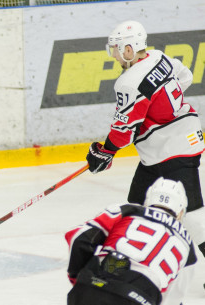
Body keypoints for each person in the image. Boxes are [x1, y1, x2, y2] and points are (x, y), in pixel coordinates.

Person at [85, 20, 205, 258]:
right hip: (164, 149)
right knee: (137, 205)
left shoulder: (129, 82)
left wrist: (104, 151)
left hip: (175, 149)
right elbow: (186, 76)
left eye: (116, 50)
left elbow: (123, 133)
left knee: (191, 213)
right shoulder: (158, 57)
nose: (115, 57)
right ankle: (131, 263)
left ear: (129, 49)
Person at [66, 177, 197, 305]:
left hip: (92, 287)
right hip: (139, 297)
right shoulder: (188, 248)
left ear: (148, 199)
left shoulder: (127, 211)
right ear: (180, 211)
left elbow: (79, 237)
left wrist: (80, 278)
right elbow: (173, 300)